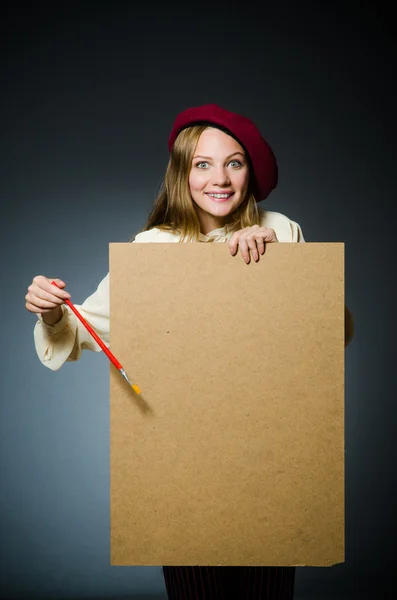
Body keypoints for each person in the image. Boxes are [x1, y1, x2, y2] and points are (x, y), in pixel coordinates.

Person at [25, 103, 354, 599]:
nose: (219, 178)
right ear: (182, 173)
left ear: (251, 173)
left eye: (234, 162)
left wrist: (277, 269)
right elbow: (82, 330)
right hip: (181, 465)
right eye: (203, 164)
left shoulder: (281, 231)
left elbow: (335, 332)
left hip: (271, 460)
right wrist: (50, 309)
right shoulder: (152, 249)